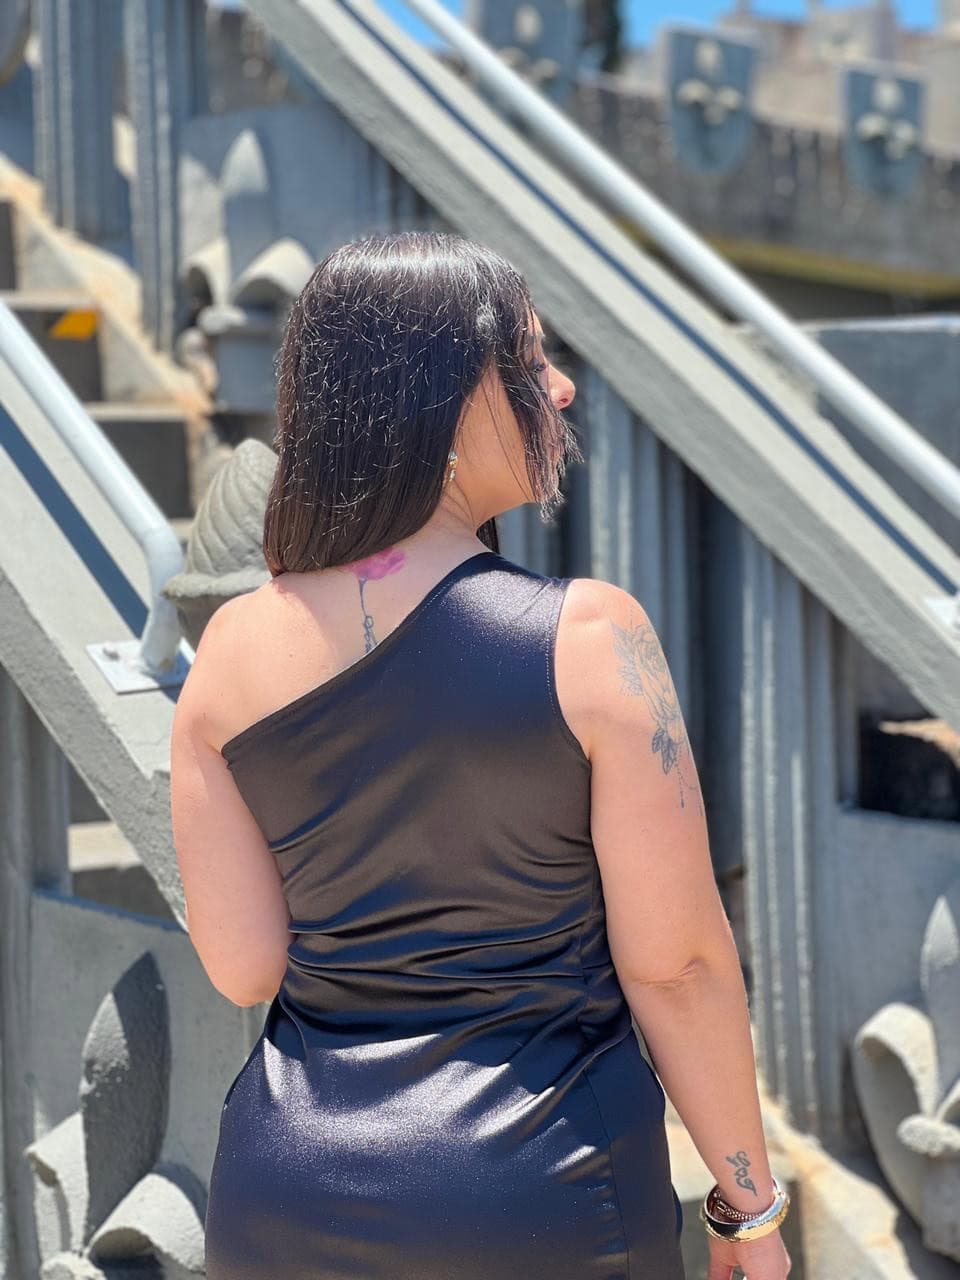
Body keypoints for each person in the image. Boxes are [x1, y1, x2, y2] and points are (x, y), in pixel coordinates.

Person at [170, 229, 792, 1279]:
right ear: (447, 400)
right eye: (532, 361)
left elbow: (245, 964)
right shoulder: (588, 638)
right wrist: (749, 1209)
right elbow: (677, 965)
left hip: (287, 1192)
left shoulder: (229, 649)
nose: (562, 389)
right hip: (543, 1192)